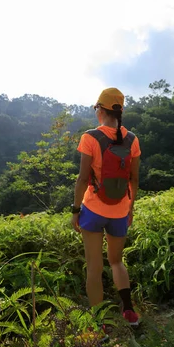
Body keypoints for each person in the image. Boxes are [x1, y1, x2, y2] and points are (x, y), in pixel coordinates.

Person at [71, 87, 141, 326]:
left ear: (100, 109)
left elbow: (82, 179)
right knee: (116, 261)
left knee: (94, 266)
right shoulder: (132, 139)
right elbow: (134, 179)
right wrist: (129, 208)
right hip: (120, 210)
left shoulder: (90, 137)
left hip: (93, 209)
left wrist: (75, 209)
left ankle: (98, 323)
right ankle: (129, 311)